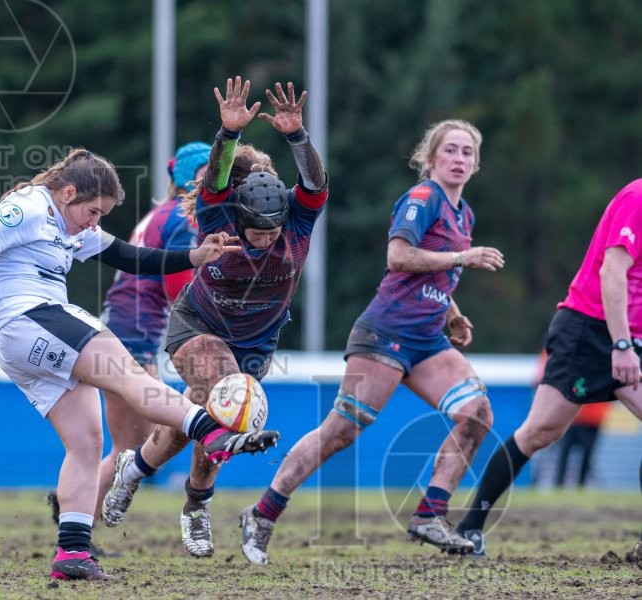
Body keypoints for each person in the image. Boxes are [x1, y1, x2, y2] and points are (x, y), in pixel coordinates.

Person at [0, 148, 280, 581]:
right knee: (128, 375)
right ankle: (214, 432)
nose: (95, 222)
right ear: (67, 191)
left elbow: (132, 257)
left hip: (25, 340)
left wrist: (194, 257)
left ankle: (72, 553)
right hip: (29, 318)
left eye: (101, 214)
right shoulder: (30, 206)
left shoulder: (73, 221)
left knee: (87, 442)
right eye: (93, 211)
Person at [235, 119, 506, 565]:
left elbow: (436, 273)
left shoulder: (465, 213)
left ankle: (430, 514)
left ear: (476, 164)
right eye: (451, 151)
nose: (459, 159)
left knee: (476, 414)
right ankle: (262, 513)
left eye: (467, 153)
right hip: (386, 333)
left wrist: (453, 313)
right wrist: (462, 256)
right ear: (431, 158)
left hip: (427, 339)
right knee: (340, 432)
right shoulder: (422, 198)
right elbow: (398, 256)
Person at [101, 76, 329, 560]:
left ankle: (136, 470)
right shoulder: (217, 217)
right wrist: (227, 135)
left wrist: (297, 136)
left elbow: (314, 183)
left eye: (272, 233)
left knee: (190, 428)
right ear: (235, 217)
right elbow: (215, 181)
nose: (264, 240)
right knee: (226, 401)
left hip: (256, 344)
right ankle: (198, 510)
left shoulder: (299, 220)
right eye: (254, 233)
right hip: (197, 326)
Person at [456, 178, 642, 561]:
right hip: (589, 333)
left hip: (629, 336)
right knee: (539, 432)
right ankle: (470, 526)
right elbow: (612, 272)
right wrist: (622, 345)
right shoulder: (638, 198)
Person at [47, 141, 210, 527]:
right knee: (142, 442)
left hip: (127, 327)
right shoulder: (182, 219)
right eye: (211, 173)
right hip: (132, 333)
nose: (222, 181)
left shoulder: (164, 213)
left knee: (135, 444)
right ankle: (72, 515)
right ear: (190, 179)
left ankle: (75, 515)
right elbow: (177, 286)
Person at [554, 402, 610, 488]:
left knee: (586, 454)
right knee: (565, 451)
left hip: (592, 420)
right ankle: (559, 484)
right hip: (574, 419)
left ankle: (581, 484)